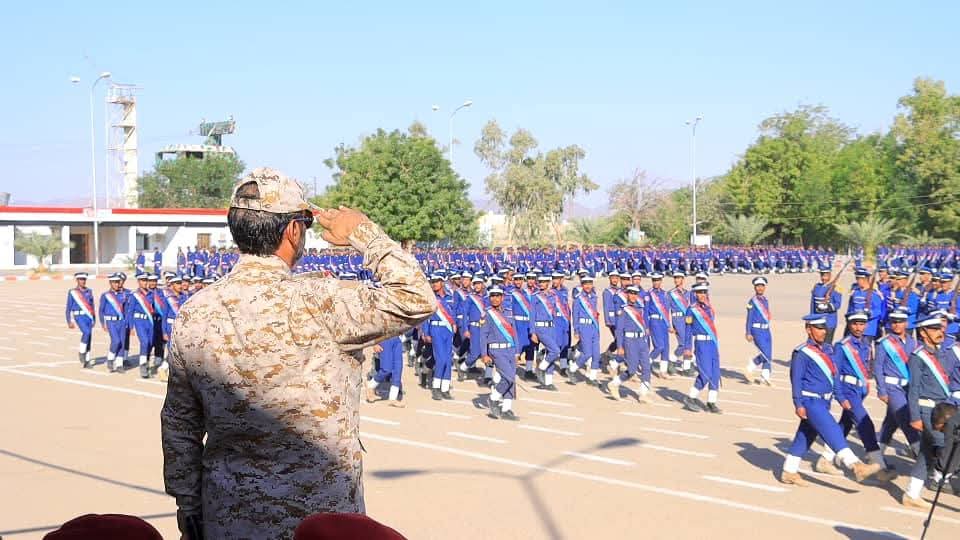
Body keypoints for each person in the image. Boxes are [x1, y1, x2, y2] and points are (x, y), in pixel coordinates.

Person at [161, 168, 435, 539]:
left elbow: (180, 423)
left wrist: (189, 508)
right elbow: (415, 298)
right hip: (321, 522)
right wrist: (363, 233)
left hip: (229, 517)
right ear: (293, 231)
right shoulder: (321, 301)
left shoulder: (195, 312)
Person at [780, 315, 890, 486]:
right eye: (819, 328)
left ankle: (789, 471)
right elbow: (796, 379)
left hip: (825, 400)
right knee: (833, 429)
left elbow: (834, 376)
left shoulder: (828, 350)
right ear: (809, 329)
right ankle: (855, 465)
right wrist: (798, 403)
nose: (823, 332)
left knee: (805, 436)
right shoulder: (802, 352)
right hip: (811, 400)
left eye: (824, 328)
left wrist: (839, 396)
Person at [817, 311, 891, 473]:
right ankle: (880, 466)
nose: (858, 327)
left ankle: (825, 459)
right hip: (847, 390)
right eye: (855, 324)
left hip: (859, 391)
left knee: (845, 425)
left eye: (862, 324)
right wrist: (840, 395)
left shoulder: (865, 344)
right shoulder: (842, 346)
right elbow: (834, 371)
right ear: (849, 325)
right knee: (865, 423)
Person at [902, 315, 956, 508]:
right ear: (923, 333)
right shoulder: (918, 356)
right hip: (926, 410)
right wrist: (915, 416)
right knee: (945, 445)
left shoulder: (942, 353)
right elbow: (913, 388)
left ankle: (911, 493)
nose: (940, 332)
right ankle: (942, 477)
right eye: (934, 329)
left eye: (940, 328)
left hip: (942, 410)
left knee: (925, 452)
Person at [874, 308, 920, 463]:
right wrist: (881, 390)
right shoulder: (885, 343)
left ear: (906, 323)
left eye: (900, 322)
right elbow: (878, 367)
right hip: (892, 388)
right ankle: (922, 457)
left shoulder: (913, 342)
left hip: (908, 387)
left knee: (891, 423)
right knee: (907, 421)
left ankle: (875, 456)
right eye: (894, 322)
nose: (896, 325)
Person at [477, 285, 520, 420]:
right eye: (492, 296)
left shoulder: (508, 312)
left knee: (511, 380)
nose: (495, 299)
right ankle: (494, 397)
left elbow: (514, 334)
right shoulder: (487, 314)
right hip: (496, 350)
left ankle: (506, 409)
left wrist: (517, 351)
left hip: (510, 349)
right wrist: (484, 354)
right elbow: (483, 335)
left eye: (497, 296)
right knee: (508, 377)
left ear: (502, 297)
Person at [682, 283, 722, 413]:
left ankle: (711, 402)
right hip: (701, 344)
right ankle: (690, 398)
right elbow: (687, 330)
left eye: (704, 292)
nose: (702, 295)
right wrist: (687, 347)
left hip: (712, 343)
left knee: (715, 374)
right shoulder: (692, 309)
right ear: (695, 294)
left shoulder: (709, 308)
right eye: (699, 293)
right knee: (705, 374)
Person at [608, 285, 652, 402]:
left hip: (641, 340)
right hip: (630, 341)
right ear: (627, 295)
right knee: (632, 369)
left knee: (647, 367)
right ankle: (614, 383)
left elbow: (644, 324)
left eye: (635, 294)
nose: (633, 296)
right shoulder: (624, 309)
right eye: (631, 293)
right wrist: (620, 346)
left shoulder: (640, 308)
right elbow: (619, 330)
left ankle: (643, 394)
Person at [568, 274, 601, 386]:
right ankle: (572, 369)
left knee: (596, 354)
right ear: (582, 285)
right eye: (585, 284)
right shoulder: (578, 299)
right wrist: (576, 330)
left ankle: (592, 377)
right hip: (584, 328)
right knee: (587, 353)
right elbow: (575, 315)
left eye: (590, 283)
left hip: (594, 327)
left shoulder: (594, 297)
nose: (588, 286)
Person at [745, 276, 773, 385]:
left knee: (769, 354)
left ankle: (765, 377)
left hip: (766, 329)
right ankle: (751, 365)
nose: (760, 288)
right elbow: (749, 318)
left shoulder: (765, 300)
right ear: (754, 288)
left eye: (762, 286)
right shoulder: (753, 301)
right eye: (758, 286)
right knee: (765, 353)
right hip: (756, 330)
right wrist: (748, 332)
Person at [66, 272, 96, 368]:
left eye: (84, 279)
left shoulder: (89, 291)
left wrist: (94, 318)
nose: (82, 281)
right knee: (86, 333)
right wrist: (69, 320)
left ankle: (86, 360)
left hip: (89, 317)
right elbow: (68, 307)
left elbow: (92, 305)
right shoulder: (72, 292)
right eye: (80, 279)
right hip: (79, 316)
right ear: (77, 280)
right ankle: (81, 352)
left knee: (89, 337)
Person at [99, 273, 128, 373]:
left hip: (122, 321)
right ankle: (110, 359)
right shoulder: (106, 295)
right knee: (116, 341)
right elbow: (101, 310)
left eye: (117, 282)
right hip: (111, 321)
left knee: (122, 343)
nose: (116, 284)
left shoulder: (123, 294)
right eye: (114, 282)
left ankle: (119, 364)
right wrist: (103, 323)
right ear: (110, 283)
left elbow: (126, 310)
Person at [365, 336, 405, 407]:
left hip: (397, 338)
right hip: (385, 339)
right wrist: (374, 343)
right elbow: (374, 326)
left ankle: (393, 399)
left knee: (398, 369)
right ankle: (370, 385)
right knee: (386, 369)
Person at [646, 272, 672, 378]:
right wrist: (647, 326)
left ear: (661, 281)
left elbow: (666, 310)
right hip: (654, 321)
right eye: (654, 280)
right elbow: (646, 310)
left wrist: (669, 324)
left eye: (658, 280)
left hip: (664, 322)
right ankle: (645, 364)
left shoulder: (664, 294)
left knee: (666, 347)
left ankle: (663, 371)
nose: (656, 282)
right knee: (659, 346)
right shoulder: (649, 294)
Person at [811, 264, 843, 344]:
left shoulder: (835, 287)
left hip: (829, 322)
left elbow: (838, 304)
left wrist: (827, 307)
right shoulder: (816, 287)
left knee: (827, 344)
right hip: (817, 320)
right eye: (822, 275)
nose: (823, 278)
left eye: (825, 275)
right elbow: (812, 304)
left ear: (830, 275)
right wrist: (811, 318)